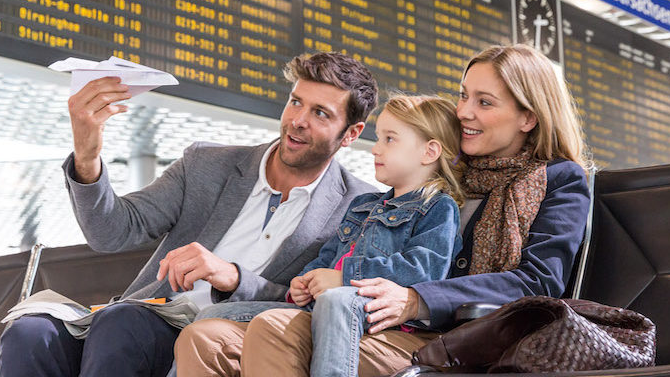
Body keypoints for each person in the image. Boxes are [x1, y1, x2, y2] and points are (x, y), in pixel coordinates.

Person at [174, 44, 591, 376]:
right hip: (377, 316)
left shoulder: (557, 180)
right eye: (465, 96)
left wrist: (416, 298)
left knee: (274, 331)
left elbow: (537, 283)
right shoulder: (437, 175)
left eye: (485, 102)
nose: (463, 111)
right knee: (206, 338)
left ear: (528, 118)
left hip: (454, 336)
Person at [0, 52, 379, 377]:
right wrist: (87, 156)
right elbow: (111, 233)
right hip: (151, 317)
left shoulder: (361, 206)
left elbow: (316, 304)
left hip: (228, 337)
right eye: (295, 102)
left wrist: (232, 277)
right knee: (29, 332)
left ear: (351, 133)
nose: (298, 120)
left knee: (122, 324)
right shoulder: (207, 164)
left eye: (321, 114)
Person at [188, 95, 465, 377]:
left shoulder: (439, 207)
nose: (375, 149)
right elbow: (327, 257)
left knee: (334, 302)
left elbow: (424, 271)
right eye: (378, 138)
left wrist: (344, 277)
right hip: (318, 306)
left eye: (389, 139)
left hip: (369, 314)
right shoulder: (363, 205)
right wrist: (305, 280)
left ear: (429, 152)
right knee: (208, 316)